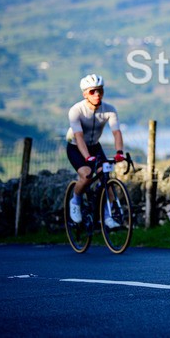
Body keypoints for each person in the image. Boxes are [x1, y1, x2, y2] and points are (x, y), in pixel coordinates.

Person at [66, 74, 126, 228]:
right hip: (76, 147)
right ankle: (76, 200)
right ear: (85, 94)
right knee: (86, 175)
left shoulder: (109, 110)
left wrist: (119, 152)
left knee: (106, 178)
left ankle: (107, 217)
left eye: (100, 91)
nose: (97, 94)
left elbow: (116, 132)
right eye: (93, 91)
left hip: (95, 146)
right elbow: (78, 136)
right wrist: (87, 157)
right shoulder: (76, 110)